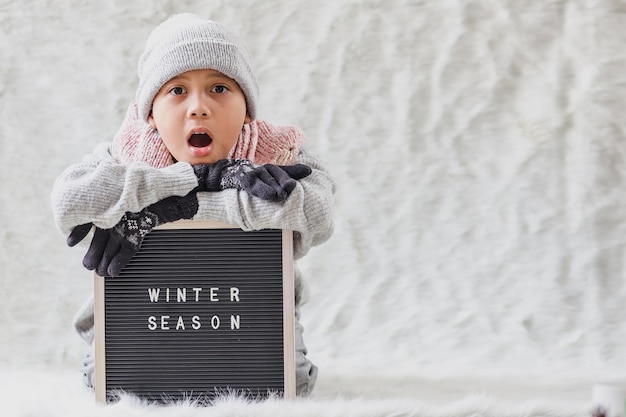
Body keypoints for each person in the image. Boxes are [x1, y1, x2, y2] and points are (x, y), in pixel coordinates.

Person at [50, 13, 335, 397]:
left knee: (294, 383)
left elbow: (318, 214)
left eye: (219, 88)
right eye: (177, 90)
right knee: (104, 383)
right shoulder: (123, 156)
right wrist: (196, 180)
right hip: (135, 323)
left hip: (255, 322)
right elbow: (68, 202)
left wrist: (163, 211)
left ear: (247, 109)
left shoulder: (279, 155)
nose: (199, 107)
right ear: (149, 112)